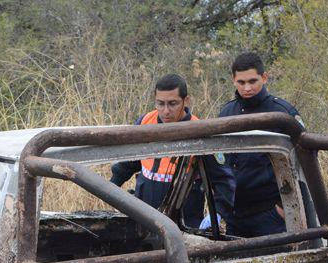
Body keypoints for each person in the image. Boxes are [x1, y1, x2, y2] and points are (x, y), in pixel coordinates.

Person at [110, 74, 234, 229]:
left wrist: (217, 213)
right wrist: (111, 187)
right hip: (143, 216)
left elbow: (223, 180)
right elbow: (129, 161)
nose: (166, 111)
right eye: (160, 103)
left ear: (186, 101)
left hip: (184, 222)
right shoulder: (145, 122)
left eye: (172, 104)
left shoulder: (200, 133)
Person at [218, 52, 304, 237]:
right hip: (235, 214)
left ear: (264, 78)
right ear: (233, 80)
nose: (247, 87)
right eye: (241, 82)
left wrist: (283, 209)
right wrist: (220, 207)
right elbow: (219, 162)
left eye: (252, 81)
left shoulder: (282, 114)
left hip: (270, 213)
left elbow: (304, 162)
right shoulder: (226, 113)